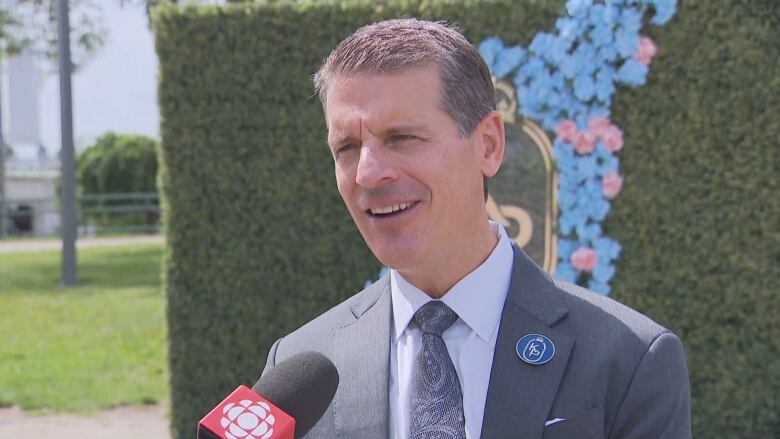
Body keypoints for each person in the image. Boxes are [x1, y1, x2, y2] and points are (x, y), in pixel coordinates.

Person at [263, 18, 691, 439]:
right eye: (347, 148)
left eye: (402, 137)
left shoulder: (629, 360)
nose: (368, 174)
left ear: (487, 145)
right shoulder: (300, 370)